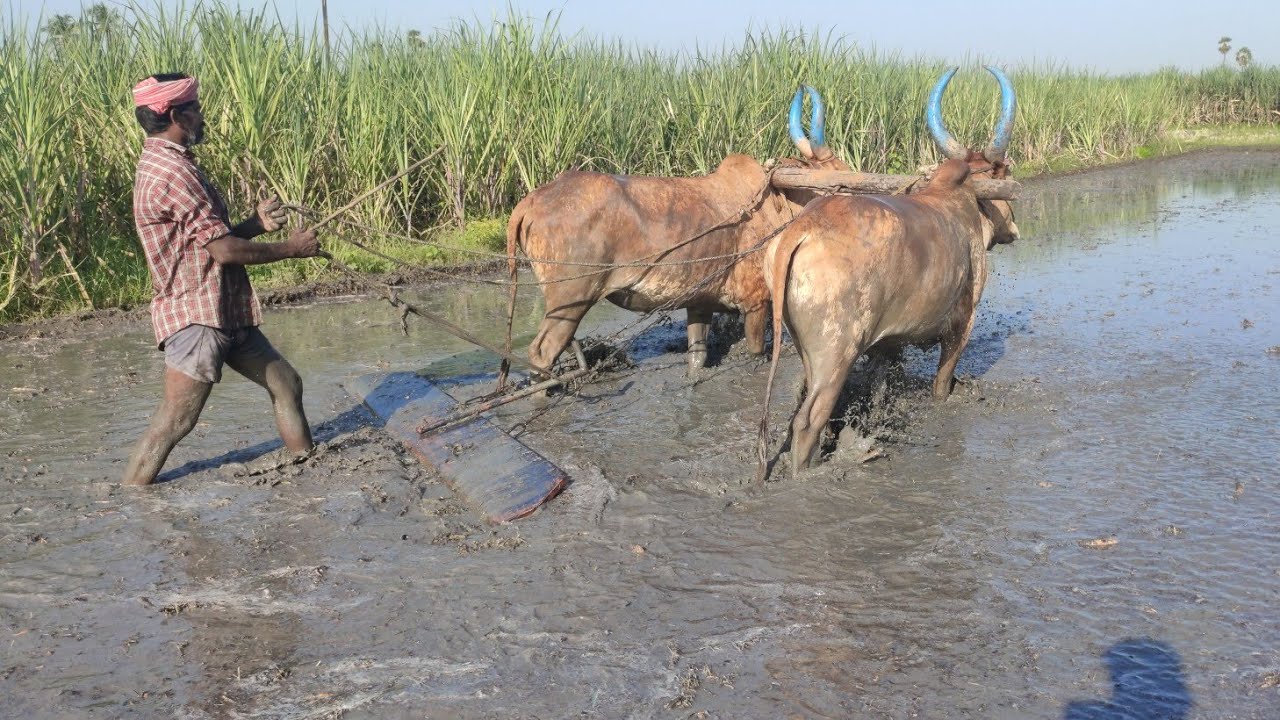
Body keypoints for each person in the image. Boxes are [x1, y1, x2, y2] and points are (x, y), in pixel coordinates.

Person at [121, 73, 321, 486]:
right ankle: (130, 498)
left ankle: (309, 471)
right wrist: (292, 248)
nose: (202, 115)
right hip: (197, 318)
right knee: (175, 422)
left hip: (223, 309)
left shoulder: (174, 163)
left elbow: (208, 240)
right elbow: (224, 251)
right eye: (195, 108)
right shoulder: (172, 172)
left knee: (287, 384)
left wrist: (255, 225)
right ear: (177, 114)